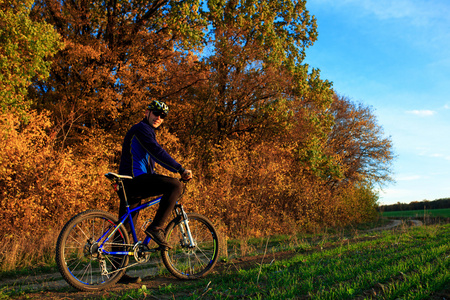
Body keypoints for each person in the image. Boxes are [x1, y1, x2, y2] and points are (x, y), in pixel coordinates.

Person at [116, 100, 192, 283]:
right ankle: (156, 228)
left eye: (162, 116)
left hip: (128, 183)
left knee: (125, 228)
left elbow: (150, 161)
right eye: (156, 113)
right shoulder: (142, 129)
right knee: (175, 186)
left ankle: (116, 273)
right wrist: (180, 169)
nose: (159, 117)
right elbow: (157, 152)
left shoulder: (145, 132)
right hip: (135, 180)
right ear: (147, 112)